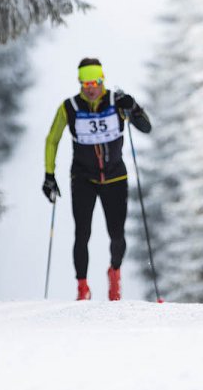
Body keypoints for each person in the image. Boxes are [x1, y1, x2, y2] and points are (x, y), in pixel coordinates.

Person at [42, 58, 151, 300]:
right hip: (83, 178)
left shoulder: (117, 102)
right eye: (86, 83)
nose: (91, 88)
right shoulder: (69, 107)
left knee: (117, 235)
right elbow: (52, 140)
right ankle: (82, 287)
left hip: (115, 178)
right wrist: (49, 175)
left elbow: (146, 128)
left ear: (103, 80)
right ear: (80, 83)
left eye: (96, 82)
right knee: (82, 233)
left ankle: (114, 274)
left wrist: (134, 108)